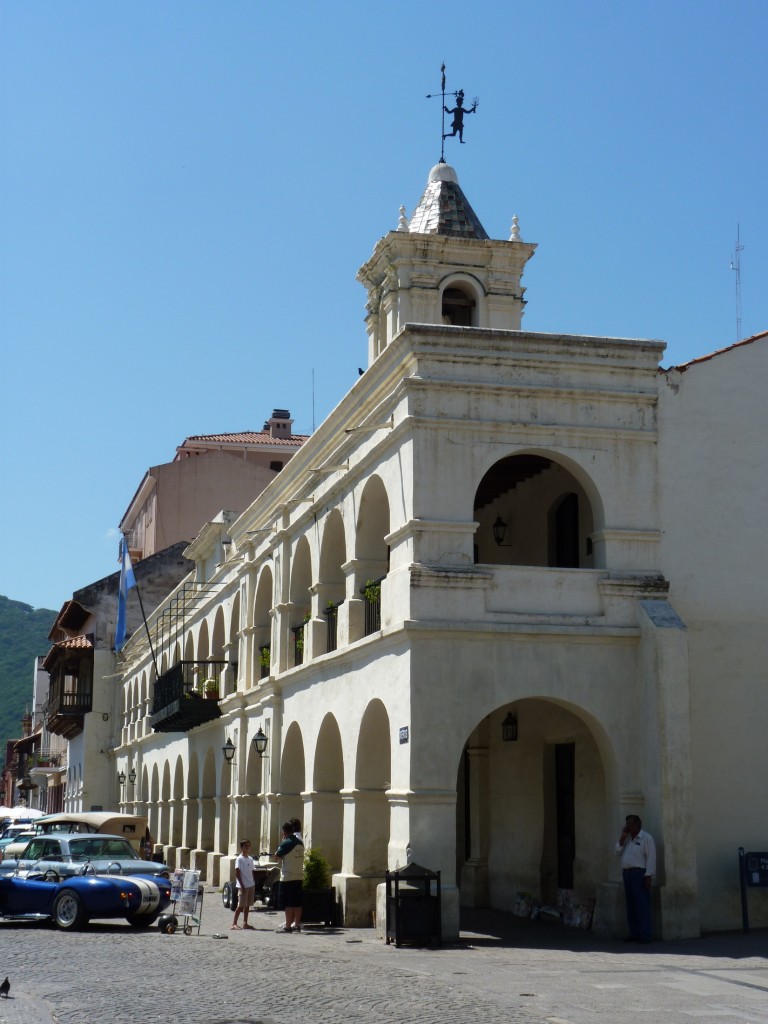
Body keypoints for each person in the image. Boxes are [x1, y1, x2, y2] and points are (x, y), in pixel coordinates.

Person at [615, 814, 656, 943]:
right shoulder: (627, 840)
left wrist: (648, 875)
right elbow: (616, 852)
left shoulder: (646, 838)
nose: (628, 826)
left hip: (639, 874)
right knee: (631, 905)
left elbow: (651, 858)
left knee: (642, 904)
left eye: (631, 824)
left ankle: (645, 934)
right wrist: (622, 837)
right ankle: (634, 933)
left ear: (638, 825)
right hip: (627, 874)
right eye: (627, 824)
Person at [273, 821, 304, 933]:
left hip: (288, 876)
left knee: (288, 903)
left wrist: (281, 844)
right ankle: (297, 924)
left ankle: (288, 926)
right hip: (299, 876)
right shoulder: (300, 842)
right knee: (297, 903)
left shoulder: (286, 843)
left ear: (284, 832)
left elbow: (276, 857)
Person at [231, 838, 257, 930]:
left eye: (248, 846)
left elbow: (252, 871)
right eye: (245, 846)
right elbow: (237, 872)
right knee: (240, 905)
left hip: (250, 884)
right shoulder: (239, 859)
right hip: (243, 886)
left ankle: (245, 923)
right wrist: (242, 885)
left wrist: (253, 881)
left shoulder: (250, 859)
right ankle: (234, 923)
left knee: (247, 905)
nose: (247, 847)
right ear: (241, 847)